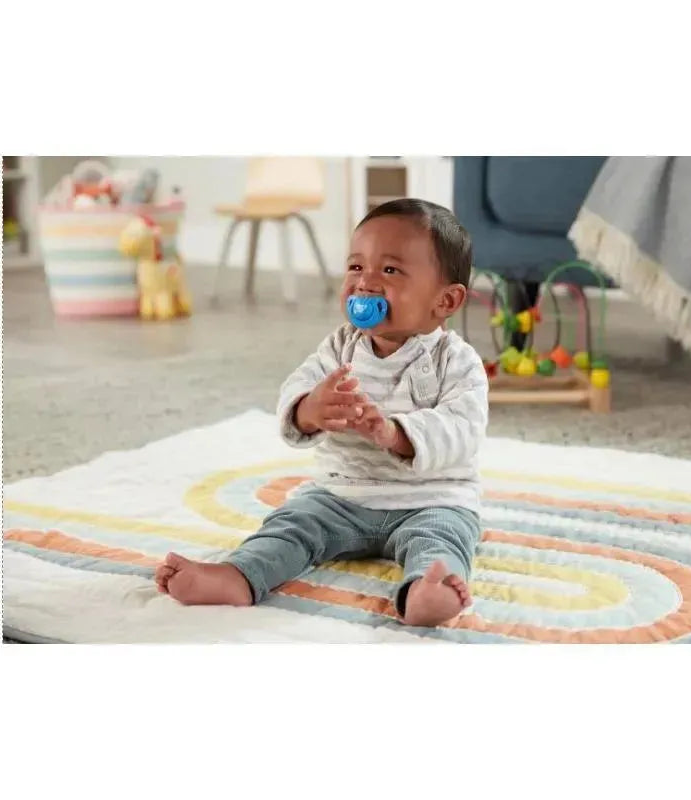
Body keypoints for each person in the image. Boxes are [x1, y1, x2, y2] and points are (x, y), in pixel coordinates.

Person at [155, 198, 489, 627]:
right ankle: (240, 575)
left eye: (389, 270)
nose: (366, 282)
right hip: (340, 495)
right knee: (292, 524)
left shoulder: (457, 362)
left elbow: (463, 428)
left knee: (444, 539)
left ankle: (427, 592)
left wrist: (395, 434)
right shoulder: (340, 346)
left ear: (446, 300)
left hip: (431, 498)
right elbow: (297, 387)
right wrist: (309, 408)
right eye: (356, 267)